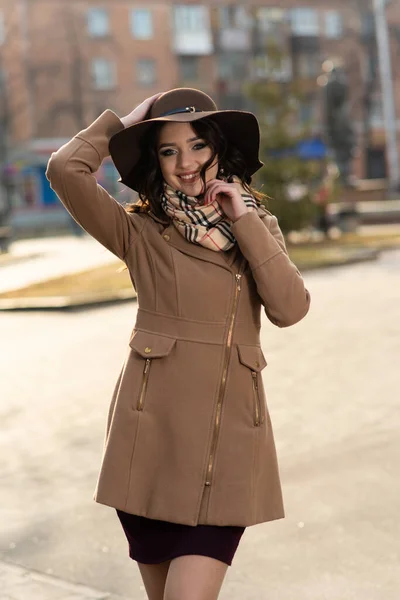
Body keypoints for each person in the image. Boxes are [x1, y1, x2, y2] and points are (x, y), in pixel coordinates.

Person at [46, 88, 310, 600]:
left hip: (224, 450)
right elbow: (64, 170)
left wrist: (244, 220)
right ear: (156, 162)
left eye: (197, 147)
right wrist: (122, 122)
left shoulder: (258, 227)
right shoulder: (139, 232)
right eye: (169, 150)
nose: (185, 163)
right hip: (152, 450)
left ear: (218, 152)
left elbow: (290, 309)